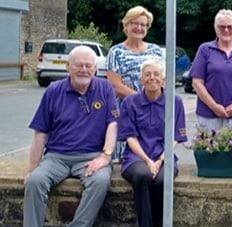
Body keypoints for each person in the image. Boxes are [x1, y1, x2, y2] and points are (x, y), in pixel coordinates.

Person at [24, 46, 118, 227]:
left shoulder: (105, 88)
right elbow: (41, 132)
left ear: (95, 69)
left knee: (100, 182)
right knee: (35, 182)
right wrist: (32, 168)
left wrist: (105, 155)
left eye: (88, 65)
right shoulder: (53, 91)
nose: (84, 70)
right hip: (56, 157)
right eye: (78, 65)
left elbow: (113, 123)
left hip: (90, 157)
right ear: (68, 67)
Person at [118, 58, 188, 227]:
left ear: (163, 78)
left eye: (156, 74)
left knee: (163, 180)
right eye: (147, 74)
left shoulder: (175, 102)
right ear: (141, 79)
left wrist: (160, 160)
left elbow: (176, 137)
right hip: (136, 158)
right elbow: (130, 137)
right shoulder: (130, 102)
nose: (152, 78)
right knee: (143, 176)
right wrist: (149, 162)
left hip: (165, 156)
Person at [106, 5, 163, 162]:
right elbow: (115, 86)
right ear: (126, 26)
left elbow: (162, 80)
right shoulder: (116, 52)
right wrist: (141, 99)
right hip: (126, 109)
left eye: (143, 24)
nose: (139, 27)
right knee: (125, 158)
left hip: (153, 108)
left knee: (151, 150)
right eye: (135, 23)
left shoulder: (156, 51)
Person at [190, 9, 232, 131]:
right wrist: (214, 106)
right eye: (222, 27)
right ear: (216, 29)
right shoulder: (205, 50)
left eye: (230, 27)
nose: (226, 30)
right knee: (208, 149)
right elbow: (197, 82)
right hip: (208, 114)